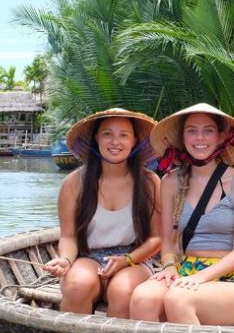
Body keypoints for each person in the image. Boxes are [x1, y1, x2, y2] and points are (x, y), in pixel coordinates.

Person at [130, 103, 234, 326]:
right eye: (192, 130)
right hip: (184, 268)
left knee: (179, 299)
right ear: (183, 137)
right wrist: (169, 266)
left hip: (230, 277)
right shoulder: (170, 182)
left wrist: (200, 278)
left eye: (208, 130)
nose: (200, 137)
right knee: (142, 298)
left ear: (221, 137)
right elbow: (168, 242)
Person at [42, 109, 161, 317]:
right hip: (89, 258)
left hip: (134, 259)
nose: (115, 142)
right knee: (77, 286)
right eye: (107, 134)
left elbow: (157, 238)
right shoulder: (74, 183)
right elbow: (68, 236)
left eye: (124, 135)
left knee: (122, 291)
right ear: (96, 138)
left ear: (134, 141)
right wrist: (66, 261)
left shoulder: (150, 182)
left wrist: (126, 259)